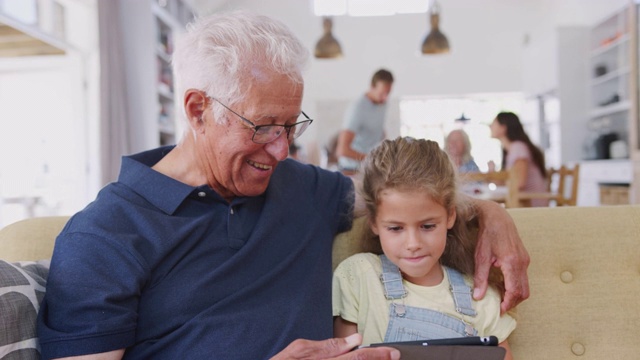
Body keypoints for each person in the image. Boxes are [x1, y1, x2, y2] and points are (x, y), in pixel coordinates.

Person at [37, 11, 529, 360]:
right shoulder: (104, 236)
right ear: (196, 109)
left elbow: (406, 196)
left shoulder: (305, 188)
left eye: (292, 126)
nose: (281, 150)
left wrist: (488, 212)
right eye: (263, 126)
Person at [333, 137, 515, 360]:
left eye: (427, 226)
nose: (413, 244)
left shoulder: (480, 296)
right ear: (374, 223)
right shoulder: (357, 275)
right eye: (395, 228)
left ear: (450, 215)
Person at [336, 69, 393, 174]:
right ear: (372, 86)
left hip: (370, 168)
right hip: (351, 170)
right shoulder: (357, 108)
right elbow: (342, 150)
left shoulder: (383, 103)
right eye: (382, 93)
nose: (385, 98)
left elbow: (378, 131)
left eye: (388, 93)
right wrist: (372, 159)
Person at [488, 112, 548, 207]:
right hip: (523, 201)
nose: (490, 126)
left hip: (530, 204)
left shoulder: (518, 148)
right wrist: (492, 173)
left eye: (494, 123)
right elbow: (509, 182)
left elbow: (520, 183)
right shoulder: (512, 149)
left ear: (503, 128)